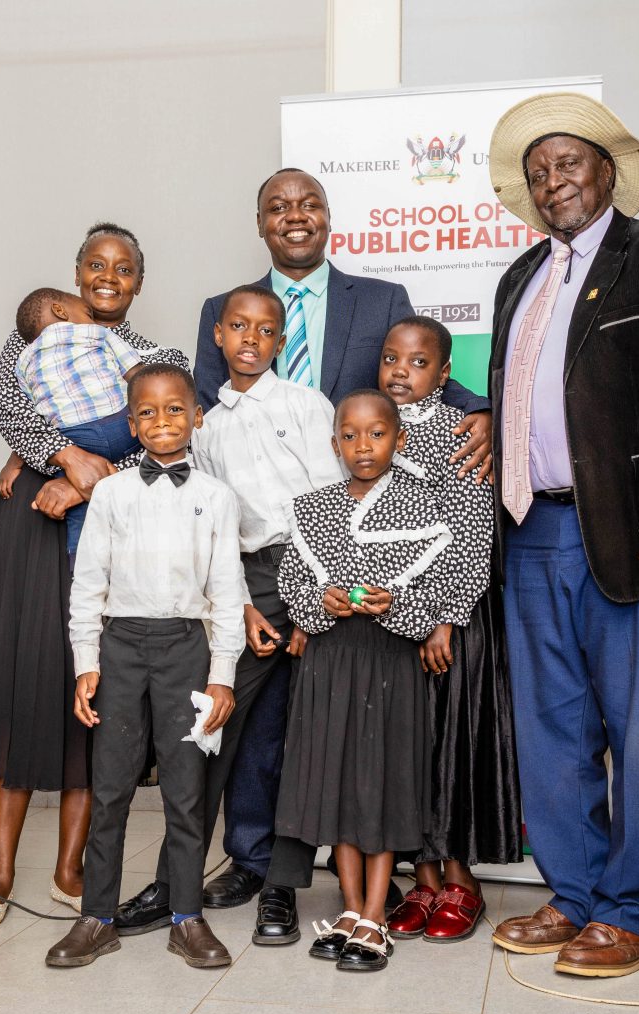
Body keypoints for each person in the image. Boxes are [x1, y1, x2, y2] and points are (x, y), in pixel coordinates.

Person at [185, 166, 494, 927]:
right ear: (259, 222)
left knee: (339, 718)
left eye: (309, 204)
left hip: (353, 549)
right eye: (278, 207)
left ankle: (355, 861)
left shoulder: (380, 299)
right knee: (255, 725)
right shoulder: (220, 309)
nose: (296, 217)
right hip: (262, 558)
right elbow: (197, 412)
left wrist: (479, 411)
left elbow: (420, 376)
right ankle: (255, 863)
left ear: (328, 217)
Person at [485, 93, 639, 977]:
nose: (553, 181)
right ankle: (577, 892)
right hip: (531, 529)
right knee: (551, 729)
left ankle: (632, 907)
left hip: (633, 535)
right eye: (538, 171)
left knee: (638, 730)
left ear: (605, 170)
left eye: (569, 163)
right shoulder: (519, 276)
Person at [0, 223, 188, 930]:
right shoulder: (30, 335)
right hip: (31, 528)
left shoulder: (157, 358)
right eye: (96, 264)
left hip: (110, 542)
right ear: (76, 274)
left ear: (138, 284)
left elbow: (165, 444)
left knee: (88, 694)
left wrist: (93, 482)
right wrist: (63, 454)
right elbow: (10, 409)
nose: (107, 277)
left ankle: (69, 869)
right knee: (21, 683)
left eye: (123, 269)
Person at [121, 284, 344, 938]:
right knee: (209, 735)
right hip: (245, 580)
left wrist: (312, 605)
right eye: (238, 326)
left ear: (280, 342)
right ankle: (172, 883)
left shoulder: (307, 405)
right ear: (217, 335)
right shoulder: (205, 427)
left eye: (265, 329)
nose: (251, 338)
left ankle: (281, 889)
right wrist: (243, 606)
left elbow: (335, 503)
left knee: (301, 742)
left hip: (315, 573)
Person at [45, 364, 245, 970]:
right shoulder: (110, 493)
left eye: (176, 409)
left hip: (187, 647)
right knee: (110, 790)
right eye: (149, 413)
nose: (163, 422)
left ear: (197, 417)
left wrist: (222, 675)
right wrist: (86, 664)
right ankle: (97, 918)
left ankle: (186, 917)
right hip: (120, 649)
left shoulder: (216, 497)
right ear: (132, 424)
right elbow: (87, 587)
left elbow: (227, 592)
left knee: (187, 792)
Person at [274, 389, 462, 972]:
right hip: (330, 661)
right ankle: (352, 908)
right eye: (350, 435)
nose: (363, 445)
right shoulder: (312, 507)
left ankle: (378, 912)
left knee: (381, 784)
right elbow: (293, 585)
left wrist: (394, 603)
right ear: (334, 444)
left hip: (389, 662)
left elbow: (441, 588)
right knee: (336, 779)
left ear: (399, 439)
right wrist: (321, 601)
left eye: (377, 433)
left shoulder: (424, 505)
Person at [374, 317, 522, 944]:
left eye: (416, 362)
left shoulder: (457, 433)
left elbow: (472, 535)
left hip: (450, 619)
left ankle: (462, 878)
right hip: (389, 619)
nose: (400, 372)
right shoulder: (373, 432)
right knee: (404, 747)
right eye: (390, 359)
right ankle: (424, 878)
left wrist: (443, 618)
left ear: (443, 372)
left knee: (448, 743)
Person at [13, 287, 143, 560]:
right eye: (88, 313)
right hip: (122, 425)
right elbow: (140, 377)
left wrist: (16, 460)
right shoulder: (98, 333)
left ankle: (80, 565)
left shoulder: (22, 361)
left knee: (76, 503)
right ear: (61, 311)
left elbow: (32, 409)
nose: (92, 319)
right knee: (163, 443)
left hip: (75, 439)